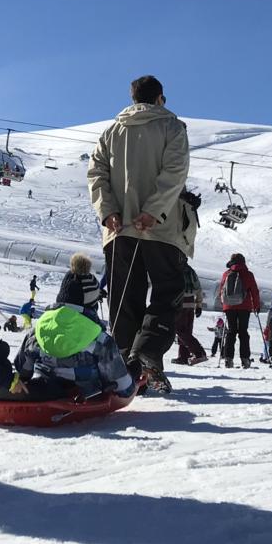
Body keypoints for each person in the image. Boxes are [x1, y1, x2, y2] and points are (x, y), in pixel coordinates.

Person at [87, 75, 192, 393]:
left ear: (133, 100)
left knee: (124, 298)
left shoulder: (111, 131)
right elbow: (174, 172)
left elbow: (96, 173)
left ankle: (124, 370)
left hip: (119, 231)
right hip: (160, 229)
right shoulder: (173, 128)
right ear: (160, 98)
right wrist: (155, 210)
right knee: (168, 292)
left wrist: (108, 212)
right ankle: (148, 351)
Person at [14, 253, 134, 398]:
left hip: (43, 390)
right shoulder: (99, 339)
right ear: (92, 304)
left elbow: (23, 372)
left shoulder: (38, 329)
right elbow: (123, 387)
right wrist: (133, 374)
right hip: (88, 396)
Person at [217, 253, 260, 368]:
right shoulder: (248, 275)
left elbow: (221, 290)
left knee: (231, 332)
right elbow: (254, 292)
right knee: (243, 332)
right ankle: (245, 359)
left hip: (229, 307)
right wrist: (256, 306)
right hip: (244, 307)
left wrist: (224, 305)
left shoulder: (226, 274)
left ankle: (228, 359)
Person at [171, 263, 207, 365]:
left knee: (180, 330)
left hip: (180, 302)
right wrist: (198, 305)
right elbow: (198, 288)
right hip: (190, 303)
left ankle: (199, 353)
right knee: (186, 331)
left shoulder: (175, 268)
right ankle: (183, 356)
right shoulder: (190, 271)